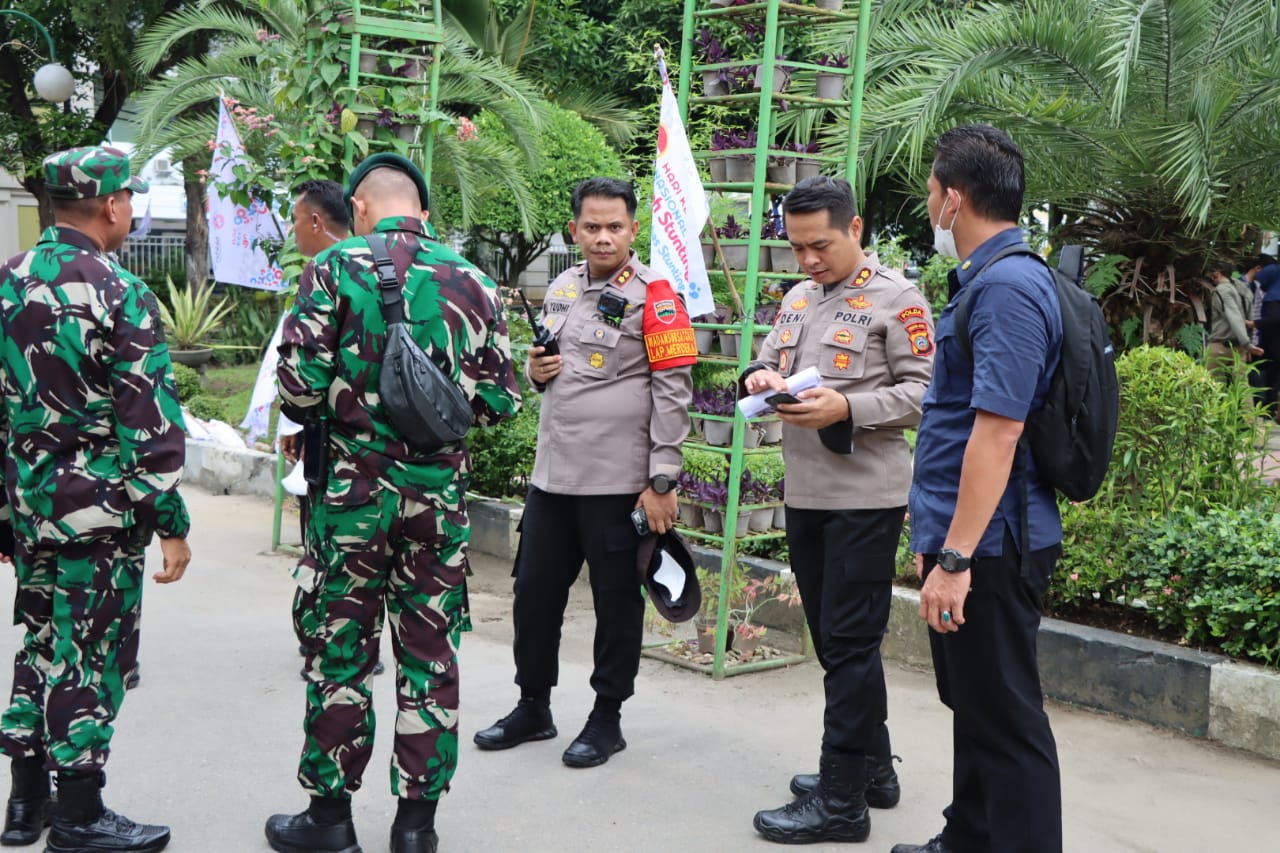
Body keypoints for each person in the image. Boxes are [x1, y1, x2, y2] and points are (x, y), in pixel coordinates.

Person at [266, 153, 519, 853]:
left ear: (362, 206)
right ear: (424, 213)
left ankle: (329, 820)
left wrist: (356, 408)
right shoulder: (473, 279)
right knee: (430, 657)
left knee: (341, 652)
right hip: (437, 503)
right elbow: (499, 399)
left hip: (351, 500)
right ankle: (416, 828)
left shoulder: (333, 267)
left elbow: (299, 389)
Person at [0, 145, 192, 852]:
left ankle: (25, 805)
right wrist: (169, 522)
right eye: (130, 201)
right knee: (89, 655)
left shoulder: (7, 283)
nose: (132, 212)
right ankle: (79, 812)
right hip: (99, 513)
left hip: (31, 506)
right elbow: (149, 423)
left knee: (42, 645)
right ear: (111, 205)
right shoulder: (118, 292)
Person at [473, 177, 696, 769]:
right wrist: (536, 368)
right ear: (574, 230)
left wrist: (662, 480)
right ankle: (533, 705)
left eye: (614, 227)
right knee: (533, 596)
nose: (602, 237)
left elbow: (674, 393)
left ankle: (606, 718)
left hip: (619, 483)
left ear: (632, 229)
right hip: (554, 478)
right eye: (591, 227)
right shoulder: (563, 286)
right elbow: (549, 372)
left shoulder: (659, 295)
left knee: (616, 603)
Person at [740, 176, 935, 845]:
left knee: (849, 645)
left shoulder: (898, 298)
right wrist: (760, 380)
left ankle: (842, 798)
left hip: (865, 499)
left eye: (819, 245)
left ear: (854, 230)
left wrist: (849, 406)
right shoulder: (797, 298)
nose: (808, 260)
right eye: (795, 247)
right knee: (834, 640)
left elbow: (924, 393)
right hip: (808, 494)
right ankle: (874, 768)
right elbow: (766, 362)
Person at [893, 124, 1065, 853]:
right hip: (970, 537)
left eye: (931, 192)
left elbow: (998, 434)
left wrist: (957, 559)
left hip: (991, 544)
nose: (930, 205)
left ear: (953, 199)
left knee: (1008, 718)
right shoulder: (989, 281)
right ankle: (969, 836)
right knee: (976, 703)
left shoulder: (1009, 289)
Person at [278, 179, 383, 680]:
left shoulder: (327, 273)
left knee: (332, 559)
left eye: (296, 220)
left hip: (340, 452)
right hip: (391, 456)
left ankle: (333, 645)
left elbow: (303, 378)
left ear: (316, 221)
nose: (294, 230)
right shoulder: (392, 269)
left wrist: (293, 419)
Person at [1206, 261, 1260, 379]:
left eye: (1211, 273)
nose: (1210, 277)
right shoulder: (1241, 288)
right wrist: (1247, 342)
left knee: (1210, 383)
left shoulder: (1222, 290)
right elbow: (1250, 314)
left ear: (1218, 273)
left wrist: (1247, 343)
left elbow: (1234, 316)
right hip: (1239, 346)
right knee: (1241, 386)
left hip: (1222, 345)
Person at [1252, 255, 1280, 418]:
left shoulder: (1272, 298)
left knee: (1270, 377)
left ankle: (1268, 410)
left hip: (1271, 347)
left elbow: (1274, 318)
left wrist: (1255, 324)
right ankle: (1270, 410)